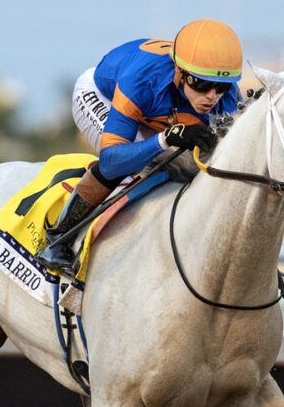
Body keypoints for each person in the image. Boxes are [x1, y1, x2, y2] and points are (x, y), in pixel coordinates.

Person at [37, 18, 244, 270]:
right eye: (201, 84)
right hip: (102, 95)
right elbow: (112, 160)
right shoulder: (140, 80)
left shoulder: (229, 97)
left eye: (221, 86)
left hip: (159, 111)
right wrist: (165, 138)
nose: (211, 96)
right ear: (179, 71)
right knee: (135, 163)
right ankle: (58, 238)